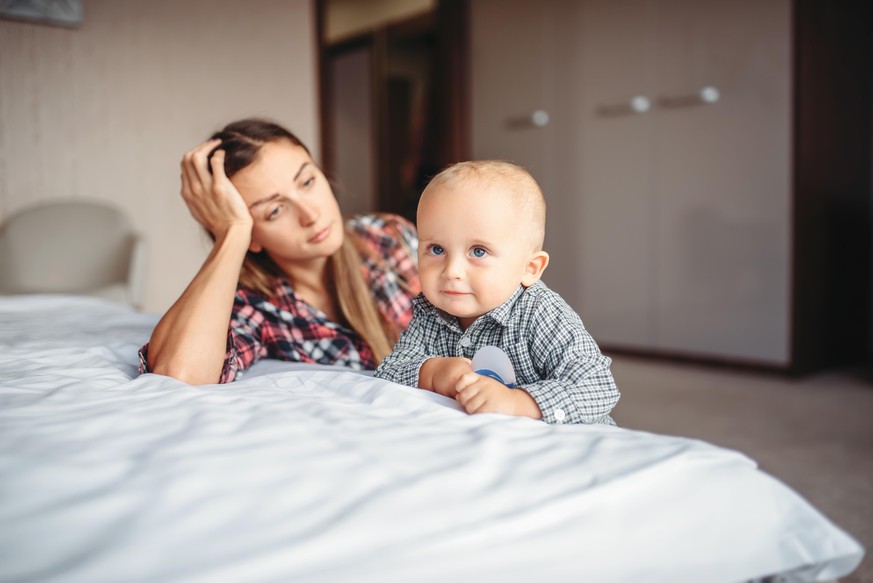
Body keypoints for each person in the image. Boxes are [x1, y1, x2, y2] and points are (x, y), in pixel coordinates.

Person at [140, 118, 420, 385]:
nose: (311, 215)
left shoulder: (387, 236)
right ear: (252, 236)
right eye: (275, 211)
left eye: (307, 182)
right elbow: (178, 372)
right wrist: (232, 231)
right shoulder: (257, 307)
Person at [374, 160, 619, 425]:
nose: (451, 271)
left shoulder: (540, 312)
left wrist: (518, 402)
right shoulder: (429, 313)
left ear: (530, 268)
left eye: (478, 251)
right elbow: (389, 373)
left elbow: (597, 385)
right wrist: (432, 372)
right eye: (436, 249)